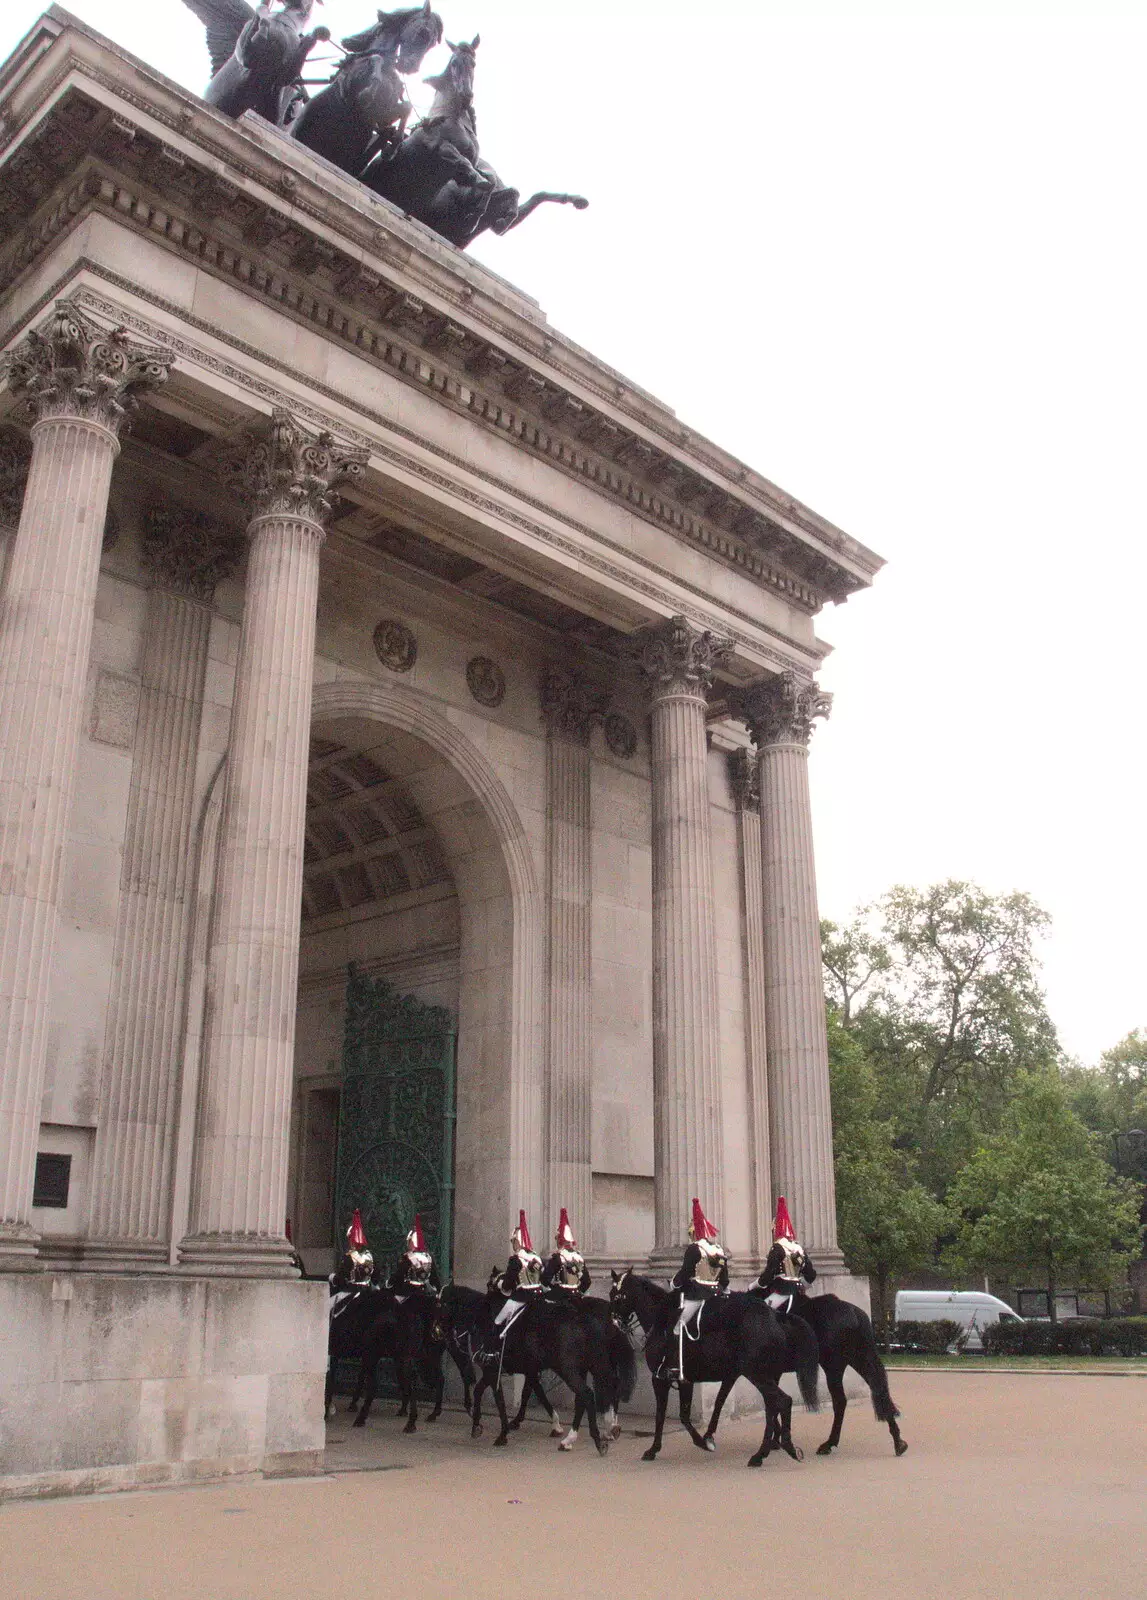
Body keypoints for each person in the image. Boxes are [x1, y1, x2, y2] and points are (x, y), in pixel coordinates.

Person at [665, 1198, 729, 1380]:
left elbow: (685, 1273)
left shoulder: (694, 1249)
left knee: (678, 1326)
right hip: (717, 1296)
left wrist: (674, 1284)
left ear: (693, 1233)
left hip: (697, 1296)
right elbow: (725, 1280)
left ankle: (676, 1367)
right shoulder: (718, 1249)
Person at [753, 1196, 816, 1316]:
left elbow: (768, 1275)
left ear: (775, 1229)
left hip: (780, 1293)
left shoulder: (777, 1248)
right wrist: (800, 1285)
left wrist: (755, 1285)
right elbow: (811, 1274)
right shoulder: (798, 1248)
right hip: (798, 1294)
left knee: (759, 1313)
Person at [491, 1210, 545, 1337]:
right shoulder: (536, 1258)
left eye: (513, 1242)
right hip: (539, 1296)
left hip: (521, 1297)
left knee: (498, 1321)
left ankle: (492, 1353)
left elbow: (507, 1286)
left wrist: (498, 1283)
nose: (513, 1245)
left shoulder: (515, 1260)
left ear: (517, 1242)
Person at [328, 1209, 377, 1321]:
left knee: (329, 1309)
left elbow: (340, 1279)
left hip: (351, 1291)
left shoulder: (349, 1257)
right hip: (368, 1291)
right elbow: (376, 1277)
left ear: (351, 1239)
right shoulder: (370, 1256)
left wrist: (332, 1278)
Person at [388, 1214, 440, 1301]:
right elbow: (435, 1279)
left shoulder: (407, 1257)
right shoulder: (428, 1257)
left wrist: (391, 1285)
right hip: (426, 1293)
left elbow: (399, 1276)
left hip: (408, 1294)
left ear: (412, 1241)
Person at [543, 1208, 591, 1297]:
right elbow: (587, 1282)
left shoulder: (557, 1258)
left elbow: (545, 1280)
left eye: (557, 1239)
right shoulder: (578, 1257)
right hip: (576, 1296)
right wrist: (577, 1293)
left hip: (560, 1298)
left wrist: (554, 1289)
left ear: (560, 1240)